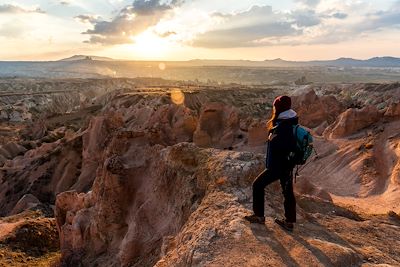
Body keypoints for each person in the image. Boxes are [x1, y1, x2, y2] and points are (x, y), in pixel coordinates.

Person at [245, 95, 298, 232]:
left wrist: (274, 138)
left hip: (278, 165)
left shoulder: (283, 124)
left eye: (275, 106)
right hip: (287, 164)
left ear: (279, 108)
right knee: (287, 192)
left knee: (257, 185)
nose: (273, 109)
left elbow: (285, 144)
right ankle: (289, 222)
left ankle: (259, 216)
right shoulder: (291, 120)